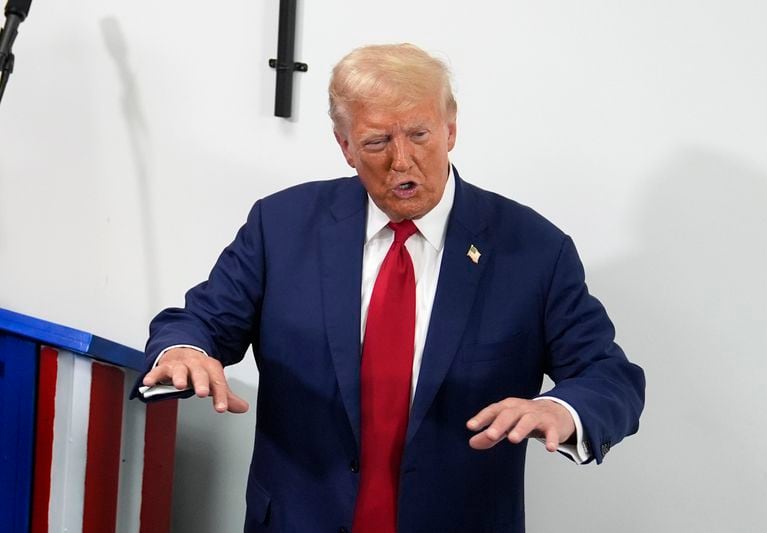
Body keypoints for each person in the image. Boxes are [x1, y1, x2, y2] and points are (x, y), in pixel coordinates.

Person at [135, 43, 645, 533]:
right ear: (346, 147)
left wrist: (561, 408)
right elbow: (200, 320)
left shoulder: (534, 251)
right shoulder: (282, 226)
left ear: (451, 129)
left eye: (419, 135)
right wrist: (187, 351)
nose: (401, 161)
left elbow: (608, 375)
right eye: (378, 141)